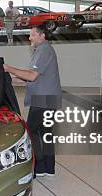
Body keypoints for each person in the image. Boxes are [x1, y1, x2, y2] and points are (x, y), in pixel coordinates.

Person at [4, 25, 62, 177]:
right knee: (45, 133)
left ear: (42, 36)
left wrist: (8, 68)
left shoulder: (44, 50)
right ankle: (48, 168)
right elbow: (30, 78)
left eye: (32, 35)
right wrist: (10, 79)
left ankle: (38, 166)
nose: (29, 38)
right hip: (48, 98)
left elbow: (31, 76)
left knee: (31, 132)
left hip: (43, 100)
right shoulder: (44, 50)